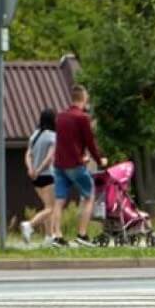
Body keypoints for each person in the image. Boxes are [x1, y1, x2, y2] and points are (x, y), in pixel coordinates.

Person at [50, 84, 104, 248]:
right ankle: (82, 234)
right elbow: (90, 142)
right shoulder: (82, 118)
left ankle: (57, 237)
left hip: (59, 165)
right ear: (83, 98)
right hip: (74, 165)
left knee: (59, 200)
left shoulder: (60, 116)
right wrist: (99, 160)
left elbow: (66, 141)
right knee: (89, 196)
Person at [19, 109, 56, 244]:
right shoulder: (53, 136)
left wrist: (31, 169)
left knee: (47, 207)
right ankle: (29, 225)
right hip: (48, 175)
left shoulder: (34, 135)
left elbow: (28, 154)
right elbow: (50, 157)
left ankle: (49, 237)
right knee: (51, 208)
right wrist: (39, 170)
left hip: (35, 178)